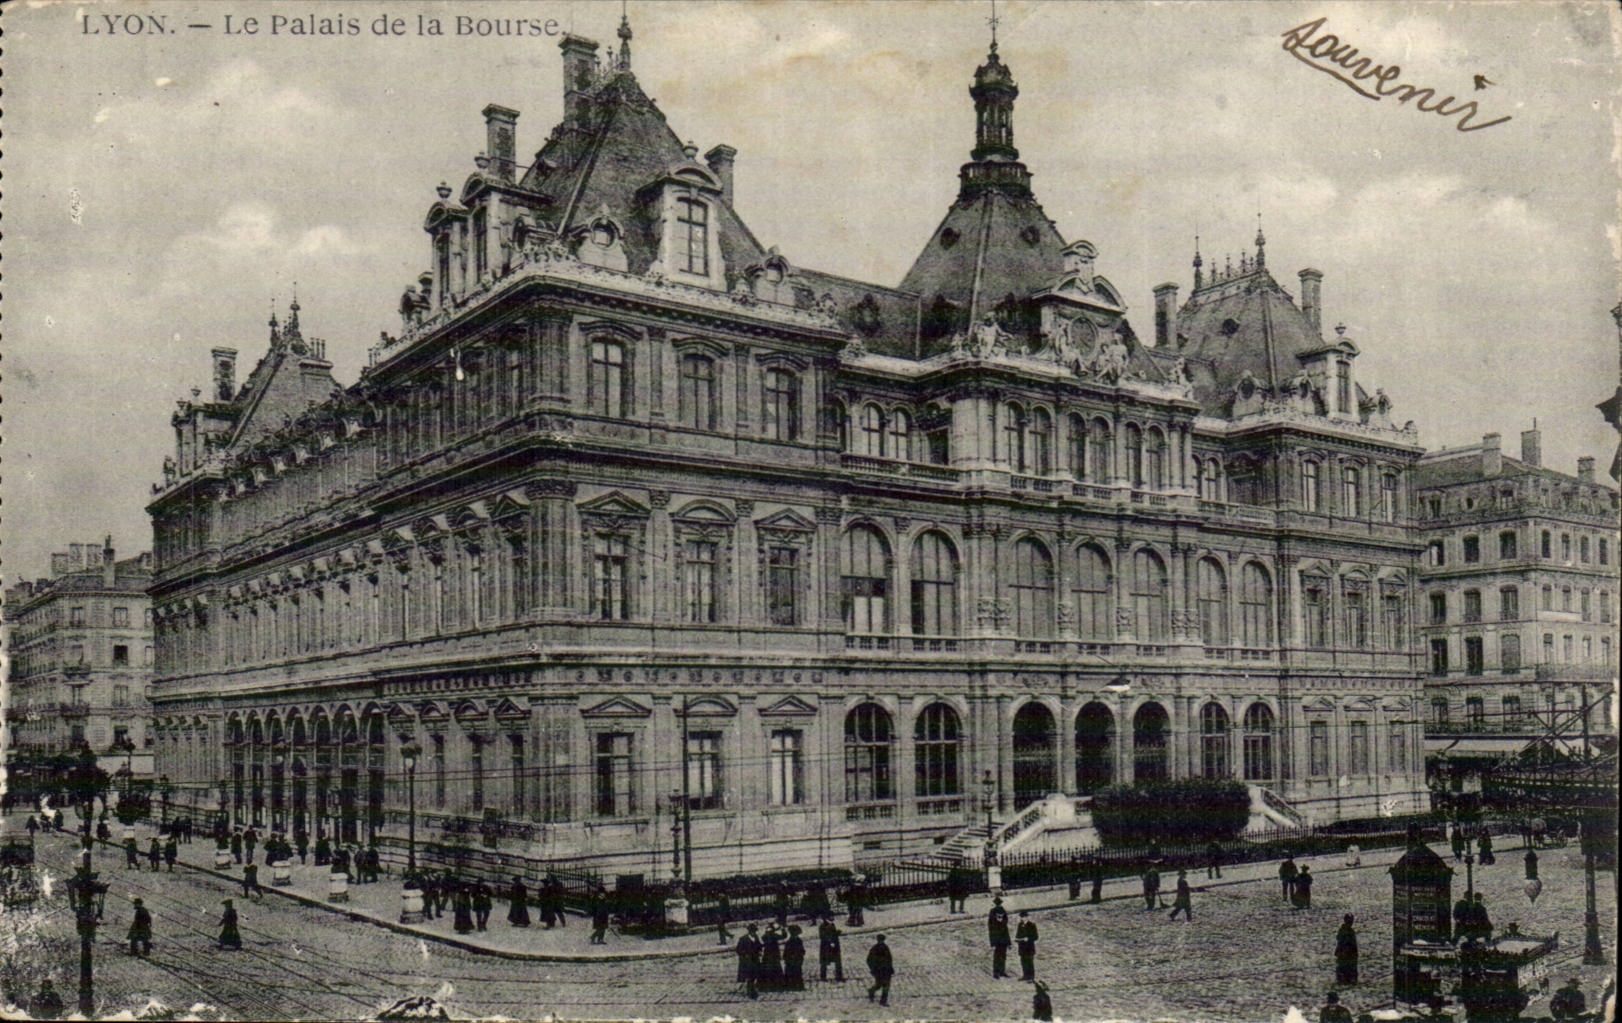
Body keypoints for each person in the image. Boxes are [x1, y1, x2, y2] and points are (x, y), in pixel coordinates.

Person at [865, 934, 893, 1006]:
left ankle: (883, 1001)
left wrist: (890, 967)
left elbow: (889, 959)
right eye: (880, 940)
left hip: (886, 970)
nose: (881, 941)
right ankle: (871, 991)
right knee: (879, 985)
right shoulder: (875, 949)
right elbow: (869, 960)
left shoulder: (886, 948)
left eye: (882, 940)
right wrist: (873, 968)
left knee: (886, 986)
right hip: (878, 970)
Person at [987, 895, 1011, 978]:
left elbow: (1006, 926)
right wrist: (993, 942)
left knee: (1003, 955)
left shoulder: (1003, 911)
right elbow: (991, 928)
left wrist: (1008, 941)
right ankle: (996, 972)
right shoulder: (992, 912)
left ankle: (1002, 971)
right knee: (997, 956)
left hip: (1003, 938)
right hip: (997, 939)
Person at [736, 923, 761, 999]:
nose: (754, 933)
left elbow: (759, 946)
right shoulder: (743, 939)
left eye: (755, 931)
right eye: (752, 931)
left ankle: (752, 989)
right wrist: (744, 954)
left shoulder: (756, 937)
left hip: (755, 959)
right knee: (748, 976)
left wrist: (760, 950)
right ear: (749, 931)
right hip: (746, 961)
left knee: (754, 975)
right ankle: (750, 991)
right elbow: (738, 950)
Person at [819, 915, 844, 981]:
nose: (832, 918)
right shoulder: (823, 926)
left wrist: (837, 933)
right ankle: (823, 976)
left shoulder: (832, 924)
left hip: (834, 946)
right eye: (831, 916)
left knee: (837, 960)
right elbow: (822, 935)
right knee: (824, 962)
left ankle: (839, 976)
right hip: (826, 946)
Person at [1335, 914, 1358, 985]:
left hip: (1350, 954)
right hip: (1345, 954)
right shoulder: (1344, 931)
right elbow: (1341, 942)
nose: (1351, 923)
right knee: (1344, 970)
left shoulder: (1349, 931)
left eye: (1351, 921)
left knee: (1349, 971)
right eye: (1349, 921)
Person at [1015, 910, 1039, 981]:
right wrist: (1017, 939)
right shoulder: (1020, 925)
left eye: (1025, 917)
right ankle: (1025, 975)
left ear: (1028, 917)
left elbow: (1036, 937)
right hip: (1022, 947)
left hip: (1029, 947)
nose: (1024, 918)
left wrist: (1028, 938)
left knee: (1030, 962)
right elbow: (1018, 935)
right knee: (1023, 962)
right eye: (1022, 917)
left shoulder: (1032, 925)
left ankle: (1031, 977)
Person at [760, 922, 784, 990]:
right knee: (776, 968)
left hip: (767, 955)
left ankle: (766, 984)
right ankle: (777, 984)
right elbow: (784, 936)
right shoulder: (774, 935)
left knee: (766, 969)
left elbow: (763, 937)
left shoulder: (765, 936)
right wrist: (782, 929)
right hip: (774, 955)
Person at [783, 924, 806, 991]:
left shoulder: (798, 941)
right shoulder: (790, 942)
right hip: (792, 960)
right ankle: (792, 985)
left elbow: (801, 950)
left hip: (797, 959)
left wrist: (802, 953)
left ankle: (797, 985)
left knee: (797, 972)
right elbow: (786, 952)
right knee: (792, 972)